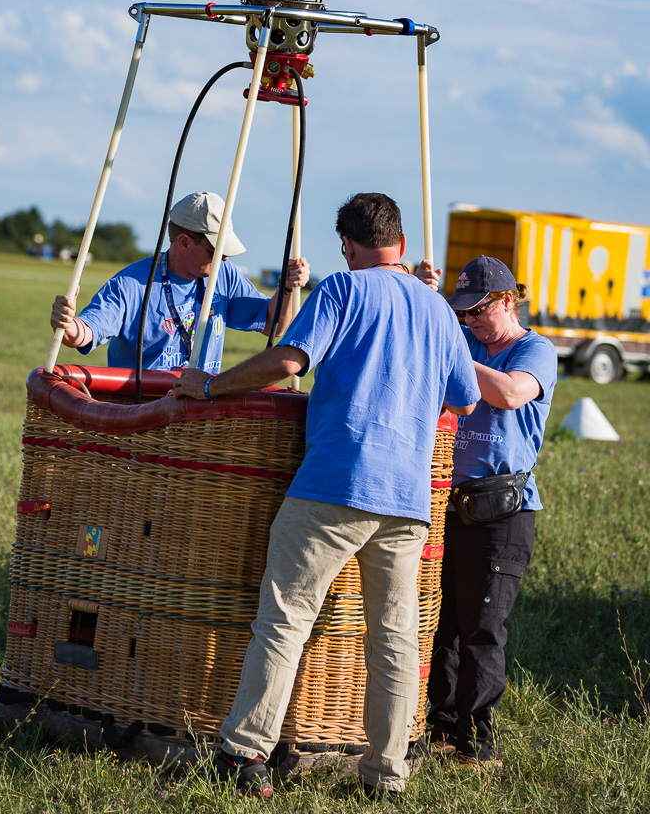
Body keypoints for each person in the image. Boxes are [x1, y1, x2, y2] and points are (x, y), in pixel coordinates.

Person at [172, 193, 480, 797]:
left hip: (336, 484)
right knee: (394, 638)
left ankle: (244, 752)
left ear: (348, 245)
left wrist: (210, 386)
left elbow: (289, 361)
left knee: (284, 621)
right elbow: (464, 399)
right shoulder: (440, 311)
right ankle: (386, 775)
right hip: (408, 499)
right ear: (402, 244)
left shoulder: (343, 289)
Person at [416, 254, 557, 769]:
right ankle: (441, 724)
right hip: (451, 501)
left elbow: (509, 392)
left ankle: (480, 741)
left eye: (477, 311)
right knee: (443, 621)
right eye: (463, 314)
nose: (470, 321)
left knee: (482, 626)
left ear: (505, 301)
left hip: (502, 510)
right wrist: (430, 307)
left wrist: (452, 349)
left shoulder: (535, 350)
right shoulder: (470, 341)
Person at [50, 191, 310, 373]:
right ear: (184, 242)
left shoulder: (224, 274)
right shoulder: (130, 284)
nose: (225, 258)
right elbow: (84, 333)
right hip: (141, 411)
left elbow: (272, 324)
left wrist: (287, 287)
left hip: (198, 413)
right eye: (215, 251)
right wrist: (68, 325)